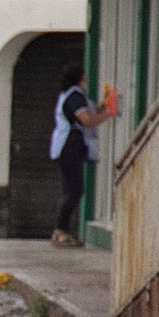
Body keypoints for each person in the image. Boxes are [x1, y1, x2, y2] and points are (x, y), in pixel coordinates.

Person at [50, 66, 112, 247]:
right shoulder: (74, 97)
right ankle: (60, 231)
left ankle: (61, 231)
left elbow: (91, 111)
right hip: (69, 148)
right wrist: (109, 114)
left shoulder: (71, 96)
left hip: (68, 148)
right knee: (74, 190)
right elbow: (86, 119)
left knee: (71, 190)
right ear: (81, 78)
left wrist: (105, 104)